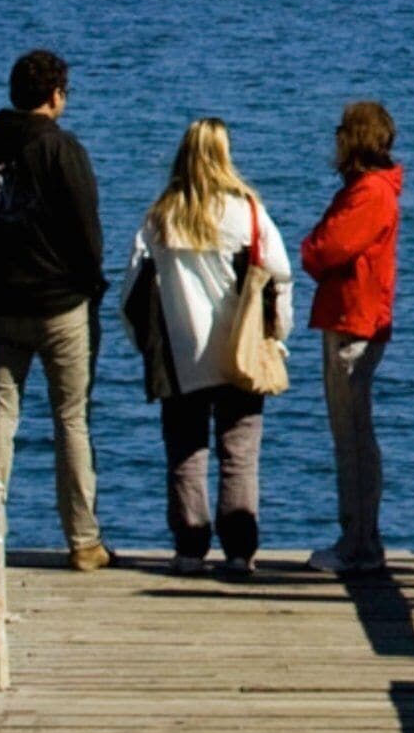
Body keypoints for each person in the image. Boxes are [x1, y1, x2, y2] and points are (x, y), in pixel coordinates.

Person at [0, 48, 111, 572]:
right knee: (71, 419)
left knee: (0, 414)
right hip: (61, 302)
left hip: (0, 300)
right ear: (56, 95)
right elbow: (87, 228)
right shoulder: (62, 150)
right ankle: (83, 540)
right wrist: (91, 283)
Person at [124, 116, 295, 579]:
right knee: (239, 453)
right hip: (238, 353)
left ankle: (190, 548)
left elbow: (133, 293)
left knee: (186, 452)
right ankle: (239, 551)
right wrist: (276, 338)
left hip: (181, 355)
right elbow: (278, 278)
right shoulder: (249, 214)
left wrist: (144, 343)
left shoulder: (160, 217)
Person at [296, 99, 405, 576]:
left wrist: (312, 247)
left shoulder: (369, 193)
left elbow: (325, 248)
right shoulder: (370, 190)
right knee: (353, 433)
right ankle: (360, 536)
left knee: (353, 435)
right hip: (352, 314)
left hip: (354, 318)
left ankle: (360, 542)